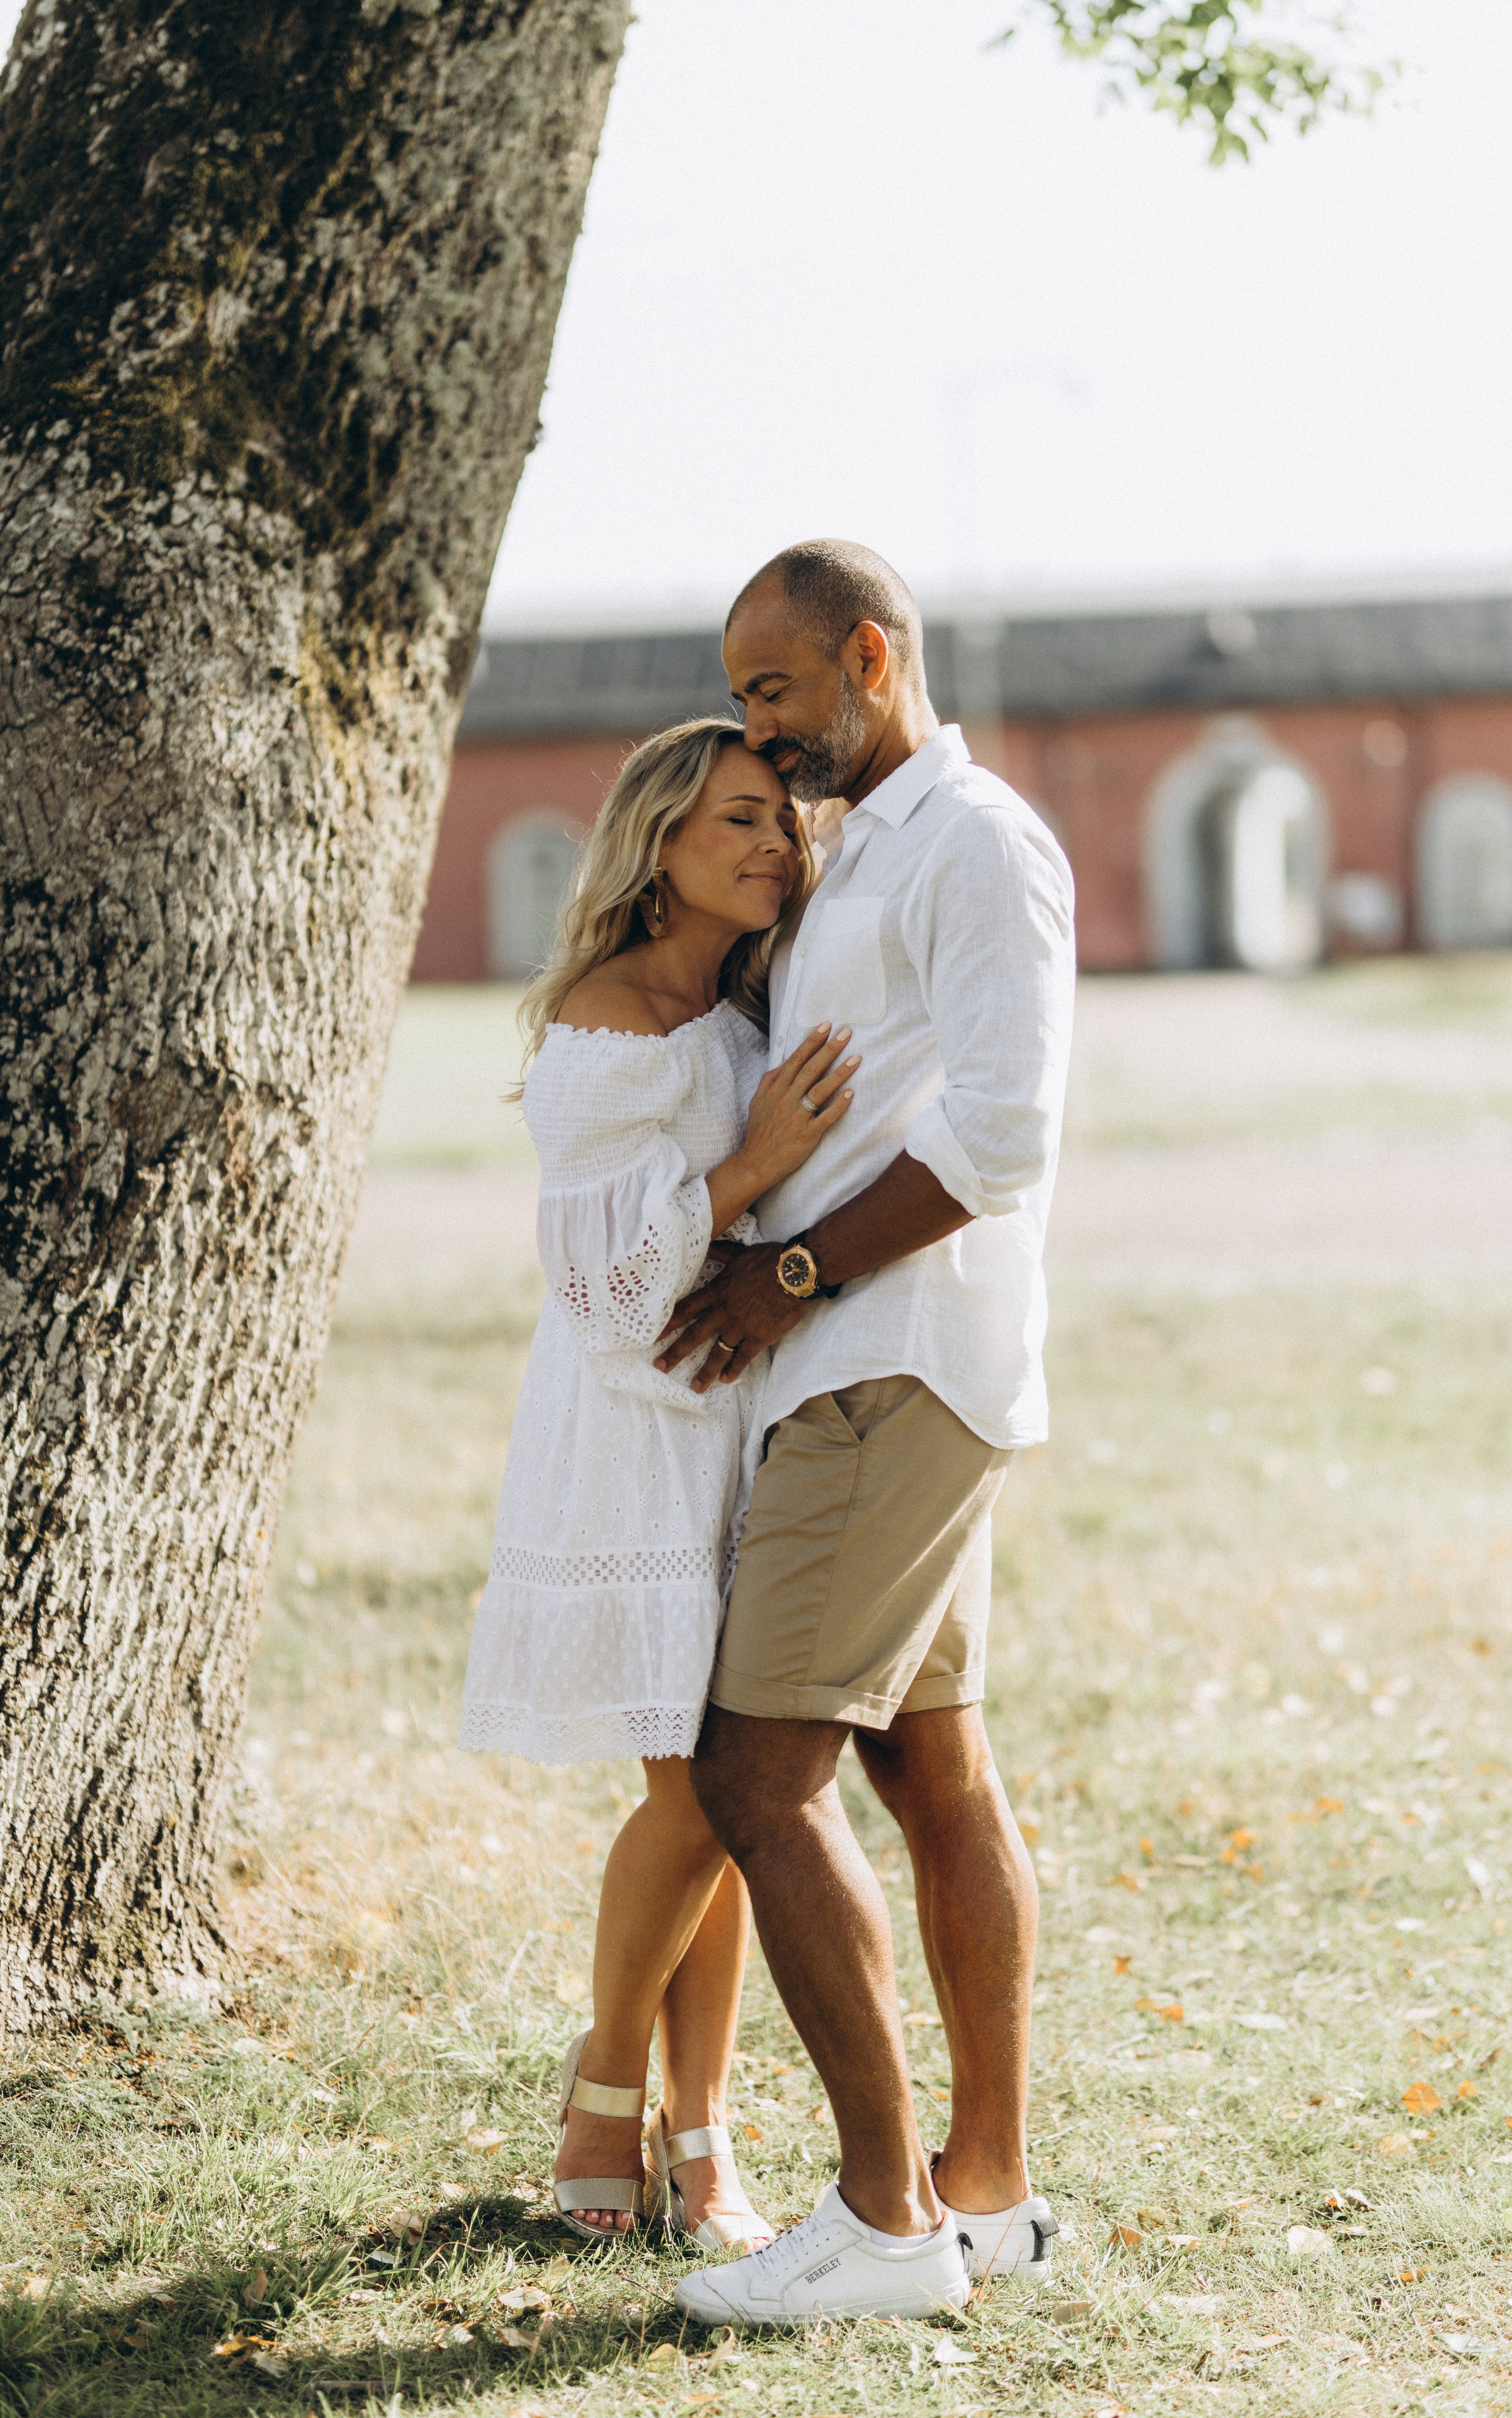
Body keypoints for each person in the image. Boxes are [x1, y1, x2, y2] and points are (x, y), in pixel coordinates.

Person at [655, 541, 1076, 2325]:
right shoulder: (864, 850)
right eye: (741, 695)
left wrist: (791, 1273)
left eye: (774, 688)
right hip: (865, 1358)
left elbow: (1004, 1131)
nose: (757, 725)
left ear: (872, 658)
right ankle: (983, 2196)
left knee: (758, 1777)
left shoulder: (975, 841)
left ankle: (882, 2222)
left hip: (886, 1359)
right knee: (929, 1768)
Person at [460, 717, 858, 2250]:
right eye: (737, 820)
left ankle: (702, 2142)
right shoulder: (601, 1022)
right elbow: (605, 1289)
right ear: (659, 844)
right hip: (632, 1432)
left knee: (734, 1796)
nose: (773, 844)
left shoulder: (750, 1000)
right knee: (689, 1794)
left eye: (781, 820)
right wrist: (751, 1163)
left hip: (737, 1418)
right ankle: (608, 2091)